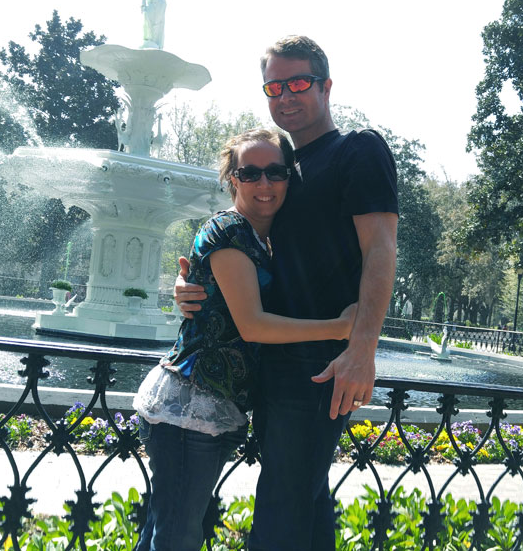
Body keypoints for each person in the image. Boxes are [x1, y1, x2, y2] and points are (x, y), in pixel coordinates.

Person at [175, 35, 398, 550]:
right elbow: (244, 246)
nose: (286, 96)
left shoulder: (357, 149)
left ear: (326, 86)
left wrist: (362, 348)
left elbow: (381, 250)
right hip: (273, 356)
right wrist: (190, 285)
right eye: (274, 86)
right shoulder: (284, 167)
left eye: (299, 83)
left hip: (319, 363)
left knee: (280, 508)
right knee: (304, 501)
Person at [133, 129, 357, 551]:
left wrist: (189, 281)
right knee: (176, 535)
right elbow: (253, 325)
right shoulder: (231, 230)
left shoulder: (269, 239)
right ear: (232, 179)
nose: (264, 184)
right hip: (190, 404)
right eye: (249, 173)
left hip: (214, 405)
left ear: (291, 177)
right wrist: (339, 327)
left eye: (276, 172)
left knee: (167, 528)